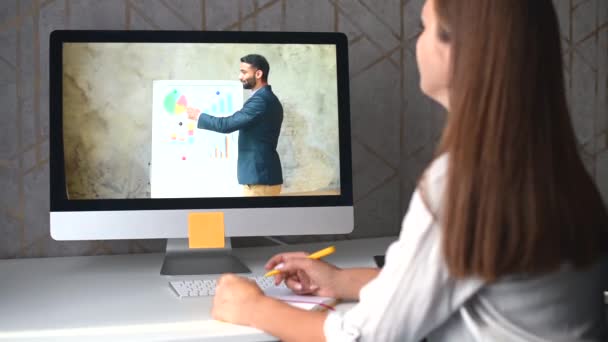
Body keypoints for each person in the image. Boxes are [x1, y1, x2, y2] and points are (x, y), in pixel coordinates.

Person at [210, 0, 608, 341]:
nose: (416, 42)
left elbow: (368, 337)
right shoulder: (550, 172)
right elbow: (444, 286)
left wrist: (253, 308)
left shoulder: (466, 185)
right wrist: (339, 281)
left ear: (459, 50)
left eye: (425, 28)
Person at [187, 54, 284, 196]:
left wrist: (198, 116)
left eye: (244, 72)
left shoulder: (260, 101)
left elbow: (226, 125)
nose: (240, 76)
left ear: (258, 74)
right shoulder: (266, 98)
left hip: (260, 181)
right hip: (261, 178)